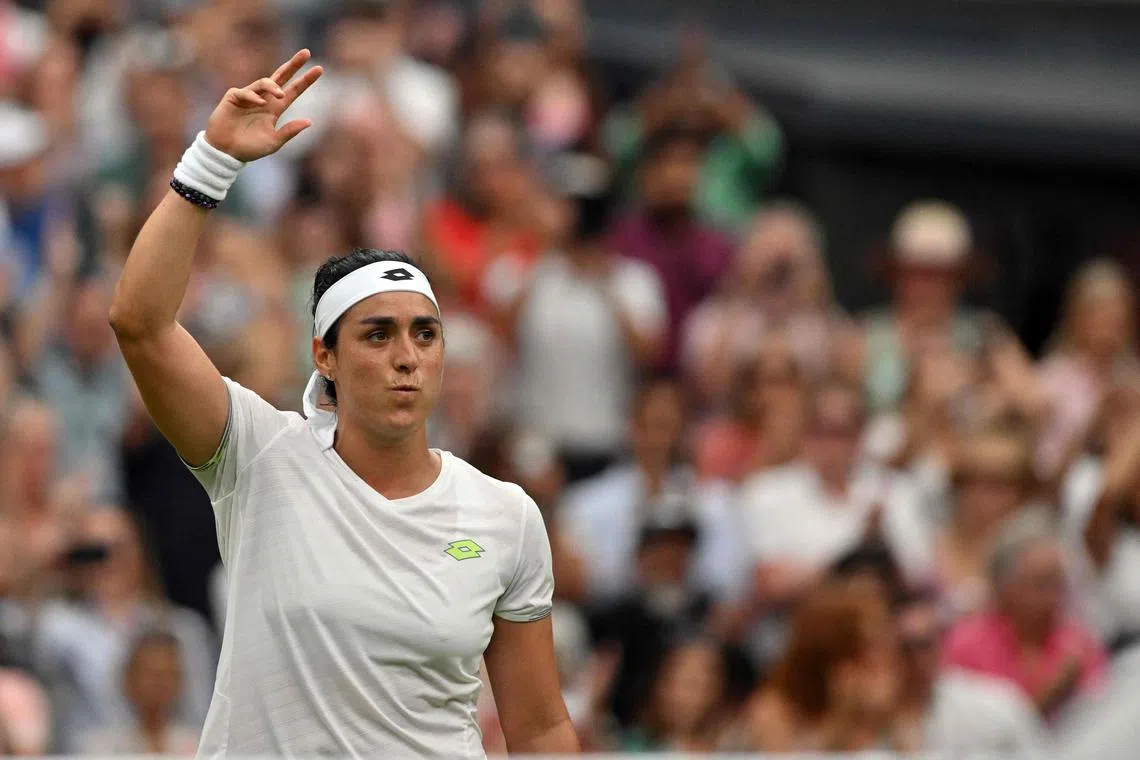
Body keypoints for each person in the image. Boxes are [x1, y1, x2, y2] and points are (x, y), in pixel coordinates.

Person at [108, 49, 577, 757]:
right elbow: (140, 324)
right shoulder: (257, 456)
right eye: (377, 334)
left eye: (425, 333)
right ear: (323, 356)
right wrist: (211, 163)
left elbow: (540, 726)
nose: (406, 356)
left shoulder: (505, 517)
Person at [80, 631, 199, 755]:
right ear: (128, 680)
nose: (159, 684)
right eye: (150, 674)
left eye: (168, 674)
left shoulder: (199, 746)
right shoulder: (99, 748)